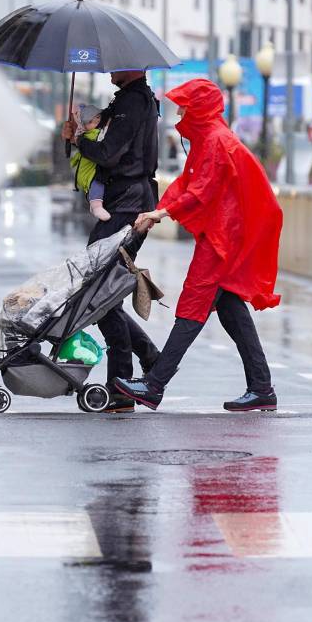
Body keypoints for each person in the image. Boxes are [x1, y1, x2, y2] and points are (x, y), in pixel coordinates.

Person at [110, 79, 283, 412]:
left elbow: (199, 191)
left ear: (199, 108)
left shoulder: (216, 141)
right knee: (231, 309)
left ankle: (154, 384)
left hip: (222, 239)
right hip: (224, 235)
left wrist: (161, 212)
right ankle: (262, 387)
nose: (179, 113)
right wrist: (159, 211)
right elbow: (187, 183)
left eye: (184, 106)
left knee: (193, 304)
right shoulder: (210, 139)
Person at [62, 71, 163, 412]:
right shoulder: (126, 101)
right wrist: (76, 134)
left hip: (127, 206)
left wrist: (81, 141)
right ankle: (148, 359)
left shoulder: (133, 102)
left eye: (116, 66)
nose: (110, 71)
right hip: (126, 202)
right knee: (102, 291)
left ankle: (121, 385)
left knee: (100, 292)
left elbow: (108, 153)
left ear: (132, 67)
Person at [70, 105, 111, 221]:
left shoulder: (84, 134)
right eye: (93, 121)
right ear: (86, 125)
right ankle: (96, 206)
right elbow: (102, 141)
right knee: (96, 182)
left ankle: (94, 204)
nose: (97, 122)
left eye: (99, 118)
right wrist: (108, 126)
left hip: (86, 168)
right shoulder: (93, 135)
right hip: (88, 170)